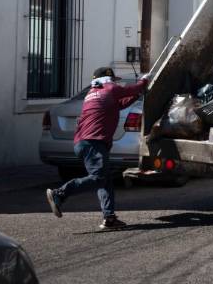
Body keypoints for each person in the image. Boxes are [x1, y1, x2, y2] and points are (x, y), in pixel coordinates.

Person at [46, 67, 149, 229]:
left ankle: (110, 218)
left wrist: (137, 94)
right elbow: (128, 89)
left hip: (84, 142)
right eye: (114, 79)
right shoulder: (109, 88)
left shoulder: (92, 93)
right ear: (107, 79)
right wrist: (143, 82)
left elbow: (120, 104)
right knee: (99, 178)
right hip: (93, 142)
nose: (115, 82)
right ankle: (59, 193)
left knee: (105, 179)